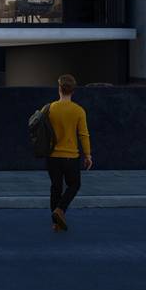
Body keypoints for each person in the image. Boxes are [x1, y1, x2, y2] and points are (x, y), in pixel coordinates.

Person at [47, 73, 92, 231]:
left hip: (52, 156)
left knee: (56, 188)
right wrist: (88, 155)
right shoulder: (78, 111)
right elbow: (83, 134)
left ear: (59, 89)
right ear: (73, 91)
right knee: (74, 184)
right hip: (71, 157)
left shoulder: (50, 108)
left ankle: (55, 223)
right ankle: (60, 210)